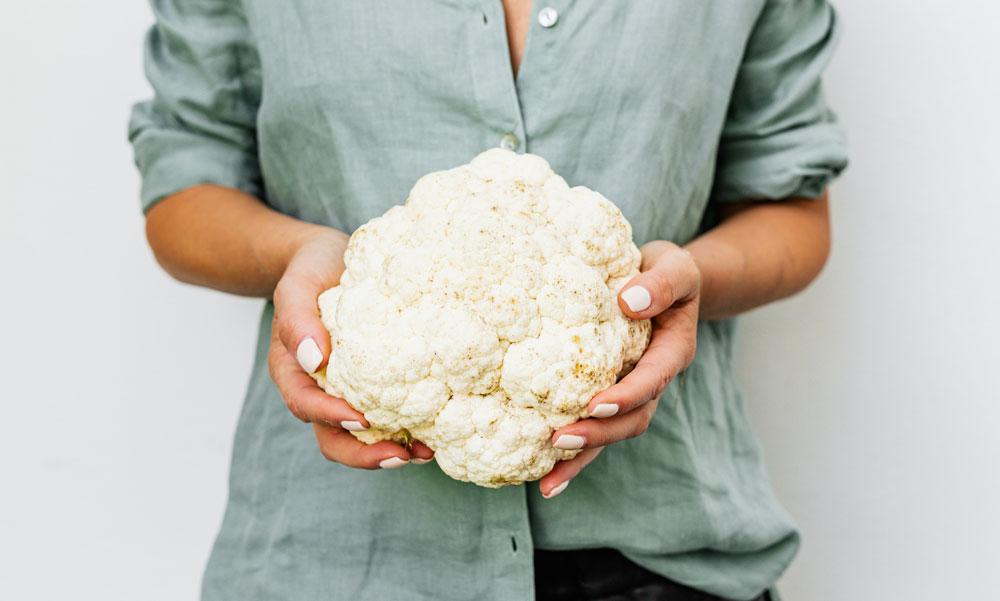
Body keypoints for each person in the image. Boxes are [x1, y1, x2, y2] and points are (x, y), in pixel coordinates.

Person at [129, 1, 847, 599]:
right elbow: (184, 182)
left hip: (661, 554)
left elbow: (790, 203)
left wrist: (689, 279)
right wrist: (298, 257)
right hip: (333, 558)